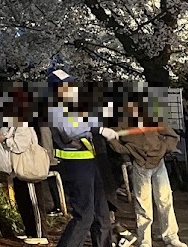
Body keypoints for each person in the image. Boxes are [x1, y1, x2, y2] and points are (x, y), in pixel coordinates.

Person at [102, 100, 188, 247]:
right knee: (143, 205)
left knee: (165, 200)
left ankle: (171, 237)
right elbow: (116, 146)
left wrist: (164, 148)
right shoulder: (119, 123)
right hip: (140, 166)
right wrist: (131, 151)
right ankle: (145, 241)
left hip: (158, 163)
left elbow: (171, 135)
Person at [49, 69, 113, 247]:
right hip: (74, 165)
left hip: (89, 162)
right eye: (67, 85)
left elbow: (92, 121)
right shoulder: (55, 108)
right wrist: (97, 130)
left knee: (102, 214)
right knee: (85, 215)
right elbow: (70, 131)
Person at [0, 89, 50, 245]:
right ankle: (29, 231)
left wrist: (4, 140)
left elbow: (19, 146)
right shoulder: (11, 125)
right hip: (18, 169)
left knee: (33, 201)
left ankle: (40, 233)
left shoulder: (22, 124)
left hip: (28, 168)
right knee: (23, 201)